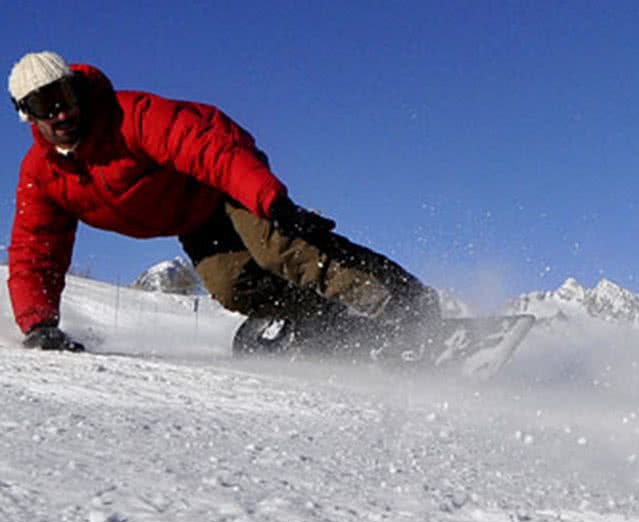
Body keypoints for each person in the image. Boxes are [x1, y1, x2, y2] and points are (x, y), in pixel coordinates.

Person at [7, 51, 436, 355]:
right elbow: (35, 251)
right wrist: (39, 324)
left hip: (225, 181)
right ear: (28, 114)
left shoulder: (129, 116)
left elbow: (209, 149)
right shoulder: (42, 177)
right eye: (45, 105)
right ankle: (326, 323)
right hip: (193, 218)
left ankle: (407, 308)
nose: (61, 113)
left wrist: (269, 200)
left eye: (65, 95)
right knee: (232, 286)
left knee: (284, 250)